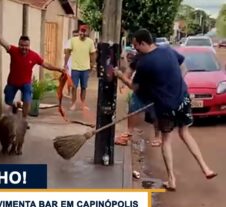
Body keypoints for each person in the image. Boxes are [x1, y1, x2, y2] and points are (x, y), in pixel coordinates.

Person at [115, 29, 217, 191]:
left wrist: (120, 76)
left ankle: (171, 180)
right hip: (183, 99)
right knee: (185, 133)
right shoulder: (168, 50)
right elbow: (184, 68)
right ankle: (206, 168)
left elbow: (134, 87)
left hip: (165, 106)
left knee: (166, 141)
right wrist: (175, 84)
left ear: (143, 43)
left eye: (136, 46)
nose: (135, 49)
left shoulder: (145, 63)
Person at [0, 26, 66, 124]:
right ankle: (15, 105)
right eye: (22, 45)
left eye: (26, 45)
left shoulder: (34, 56)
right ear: (18, 44)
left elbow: (45, 64)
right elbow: (3, 42)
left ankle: (24, 120)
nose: (24, 47)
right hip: (12, 82)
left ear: (29, 46)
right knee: (7, 101)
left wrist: (58, 69)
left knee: (27, 100)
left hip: (26, 83)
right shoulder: (14, 51)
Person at [115, 50, 161, 147]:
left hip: (154, 91)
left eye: (136, 45)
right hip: (140, 91)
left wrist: (122, 78)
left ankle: (157, 136)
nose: (135, 48)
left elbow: (133, 85)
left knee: (155, 114)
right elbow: (130, 70)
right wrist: (123, 81)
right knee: (132, 108)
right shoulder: (139, 57)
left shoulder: (156, 58)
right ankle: (128, 133)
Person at [64, 25, 96, 111]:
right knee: (74, 87)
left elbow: (92, 54)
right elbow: (68, 52)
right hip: (75, 68)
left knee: (84, 87)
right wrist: (65, 64)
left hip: (85, 68)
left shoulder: (90, 42)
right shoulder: (73, 41)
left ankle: (82, 104)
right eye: (81, 31)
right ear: (79, 32)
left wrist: (92, 65)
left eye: (84, 31)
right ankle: (73, 103)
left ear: (87, 32)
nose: (82, 33)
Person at [63, 30, 79, 97]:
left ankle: (73, 93)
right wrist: (65, 63)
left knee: (75, 78)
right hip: (70, 62)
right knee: (69, 77)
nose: (75, 36)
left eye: (76, 35)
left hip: (78, 62)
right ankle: (69, 92)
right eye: (74, 35)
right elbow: (65, 52)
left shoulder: (81, 42)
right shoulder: (69, 41)